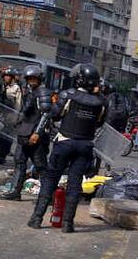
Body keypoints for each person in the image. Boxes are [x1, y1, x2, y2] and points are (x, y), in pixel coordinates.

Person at [28, 64, 107, 232]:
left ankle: (37, 218)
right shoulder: (101, 102)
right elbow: (99, 122)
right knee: (74, 185)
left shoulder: (68, 95)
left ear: (78, 79)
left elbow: (55, 114)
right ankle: (67, 224)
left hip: (64, 142)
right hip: (85, 146)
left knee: (50, 180)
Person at [0, 66, 53, 201]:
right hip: (24, 132)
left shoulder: (43, 92)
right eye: (29, 79)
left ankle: (48, 195)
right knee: (19, 161)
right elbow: (25, 112)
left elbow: (46, 114)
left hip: (36, 135)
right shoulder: (30, 91)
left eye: (34, 78)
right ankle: (15, 191)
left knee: (41, 165)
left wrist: (37, 133)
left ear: (40, 79)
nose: (31, 81)